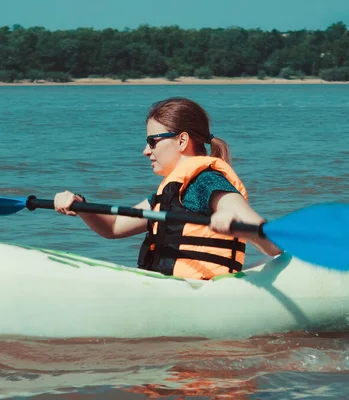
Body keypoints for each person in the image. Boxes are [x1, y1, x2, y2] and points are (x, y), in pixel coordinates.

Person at [54, 97, 281, 280]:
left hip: (201, 291)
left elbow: (270, 242)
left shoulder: (207, 181)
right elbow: (113, 228)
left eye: (153, 141)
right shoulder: (168, 194)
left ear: (182, 141)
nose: (145, 151)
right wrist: (80, 205)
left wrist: (239, 225)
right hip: (170, 285)